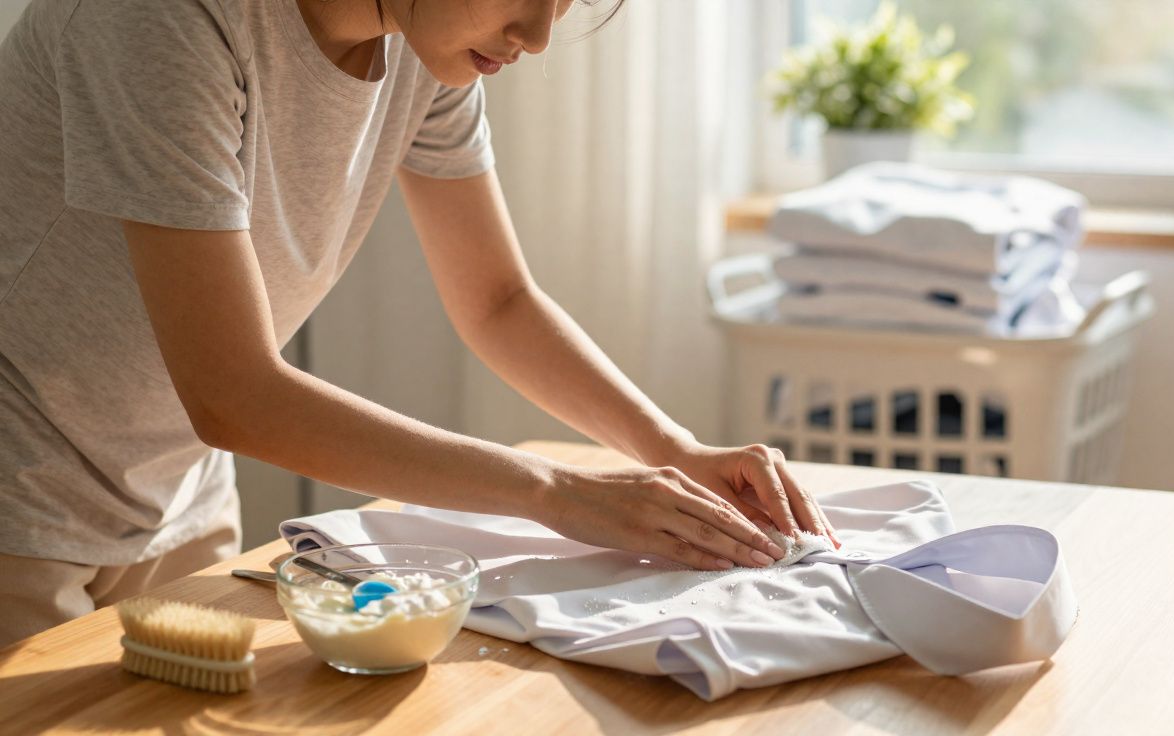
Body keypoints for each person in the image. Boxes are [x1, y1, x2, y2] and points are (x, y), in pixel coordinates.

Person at [0, 0, 836, 649]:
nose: (539, 35)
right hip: (21, 487)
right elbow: (233, 393)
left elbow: (498, 300)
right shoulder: (164, 20)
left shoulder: (424, 46)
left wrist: (673, 449)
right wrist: (556, 492)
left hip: (176, 489)